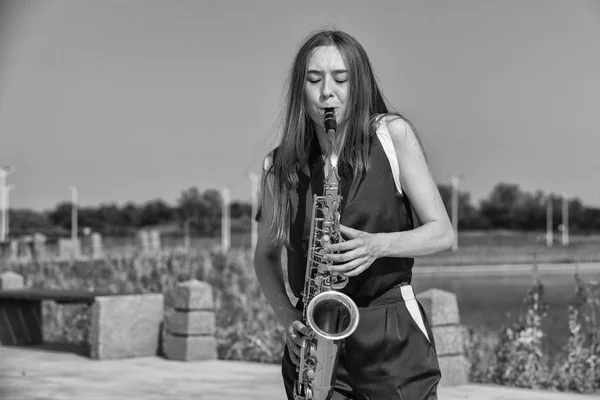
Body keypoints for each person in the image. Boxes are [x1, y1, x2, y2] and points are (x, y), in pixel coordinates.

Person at [253, 28, 454, 400]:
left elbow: (442, 232)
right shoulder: (278, 167)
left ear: (358, 84)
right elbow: (264, 257)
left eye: (340, 79)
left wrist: (378, 245)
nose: (327, 91)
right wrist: (288, 318)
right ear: (300, 89)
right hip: (315, 337)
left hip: (391, 335)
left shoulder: (393, 136)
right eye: (314, 80)